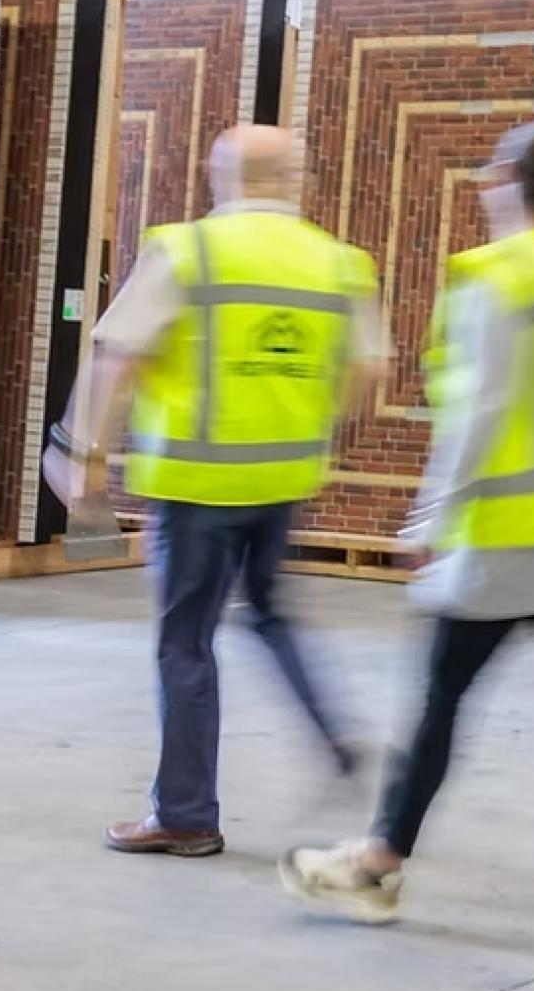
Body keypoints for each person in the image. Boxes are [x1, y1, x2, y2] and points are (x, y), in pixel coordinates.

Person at [279, 120, 534, 942]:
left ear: (505, 180)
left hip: (513, 532)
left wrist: (432, 514)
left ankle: (377, 867)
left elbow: (482, 408)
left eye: (490, 176)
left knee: (440, 698)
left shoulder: (496, 275)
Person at [45, 124, 386, 858]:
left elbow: (116, 357)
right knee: (271, 613)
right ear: (293, 179)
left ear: (220, 174)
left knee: (186, 645)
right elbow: (367, 369)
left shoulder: (187, 250)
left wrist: (81, 450)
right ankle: (332, 734)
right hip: (282, 478)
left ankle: (186, 814)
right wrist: (311, 424)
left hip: (196, 485)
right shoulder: (340, 262)